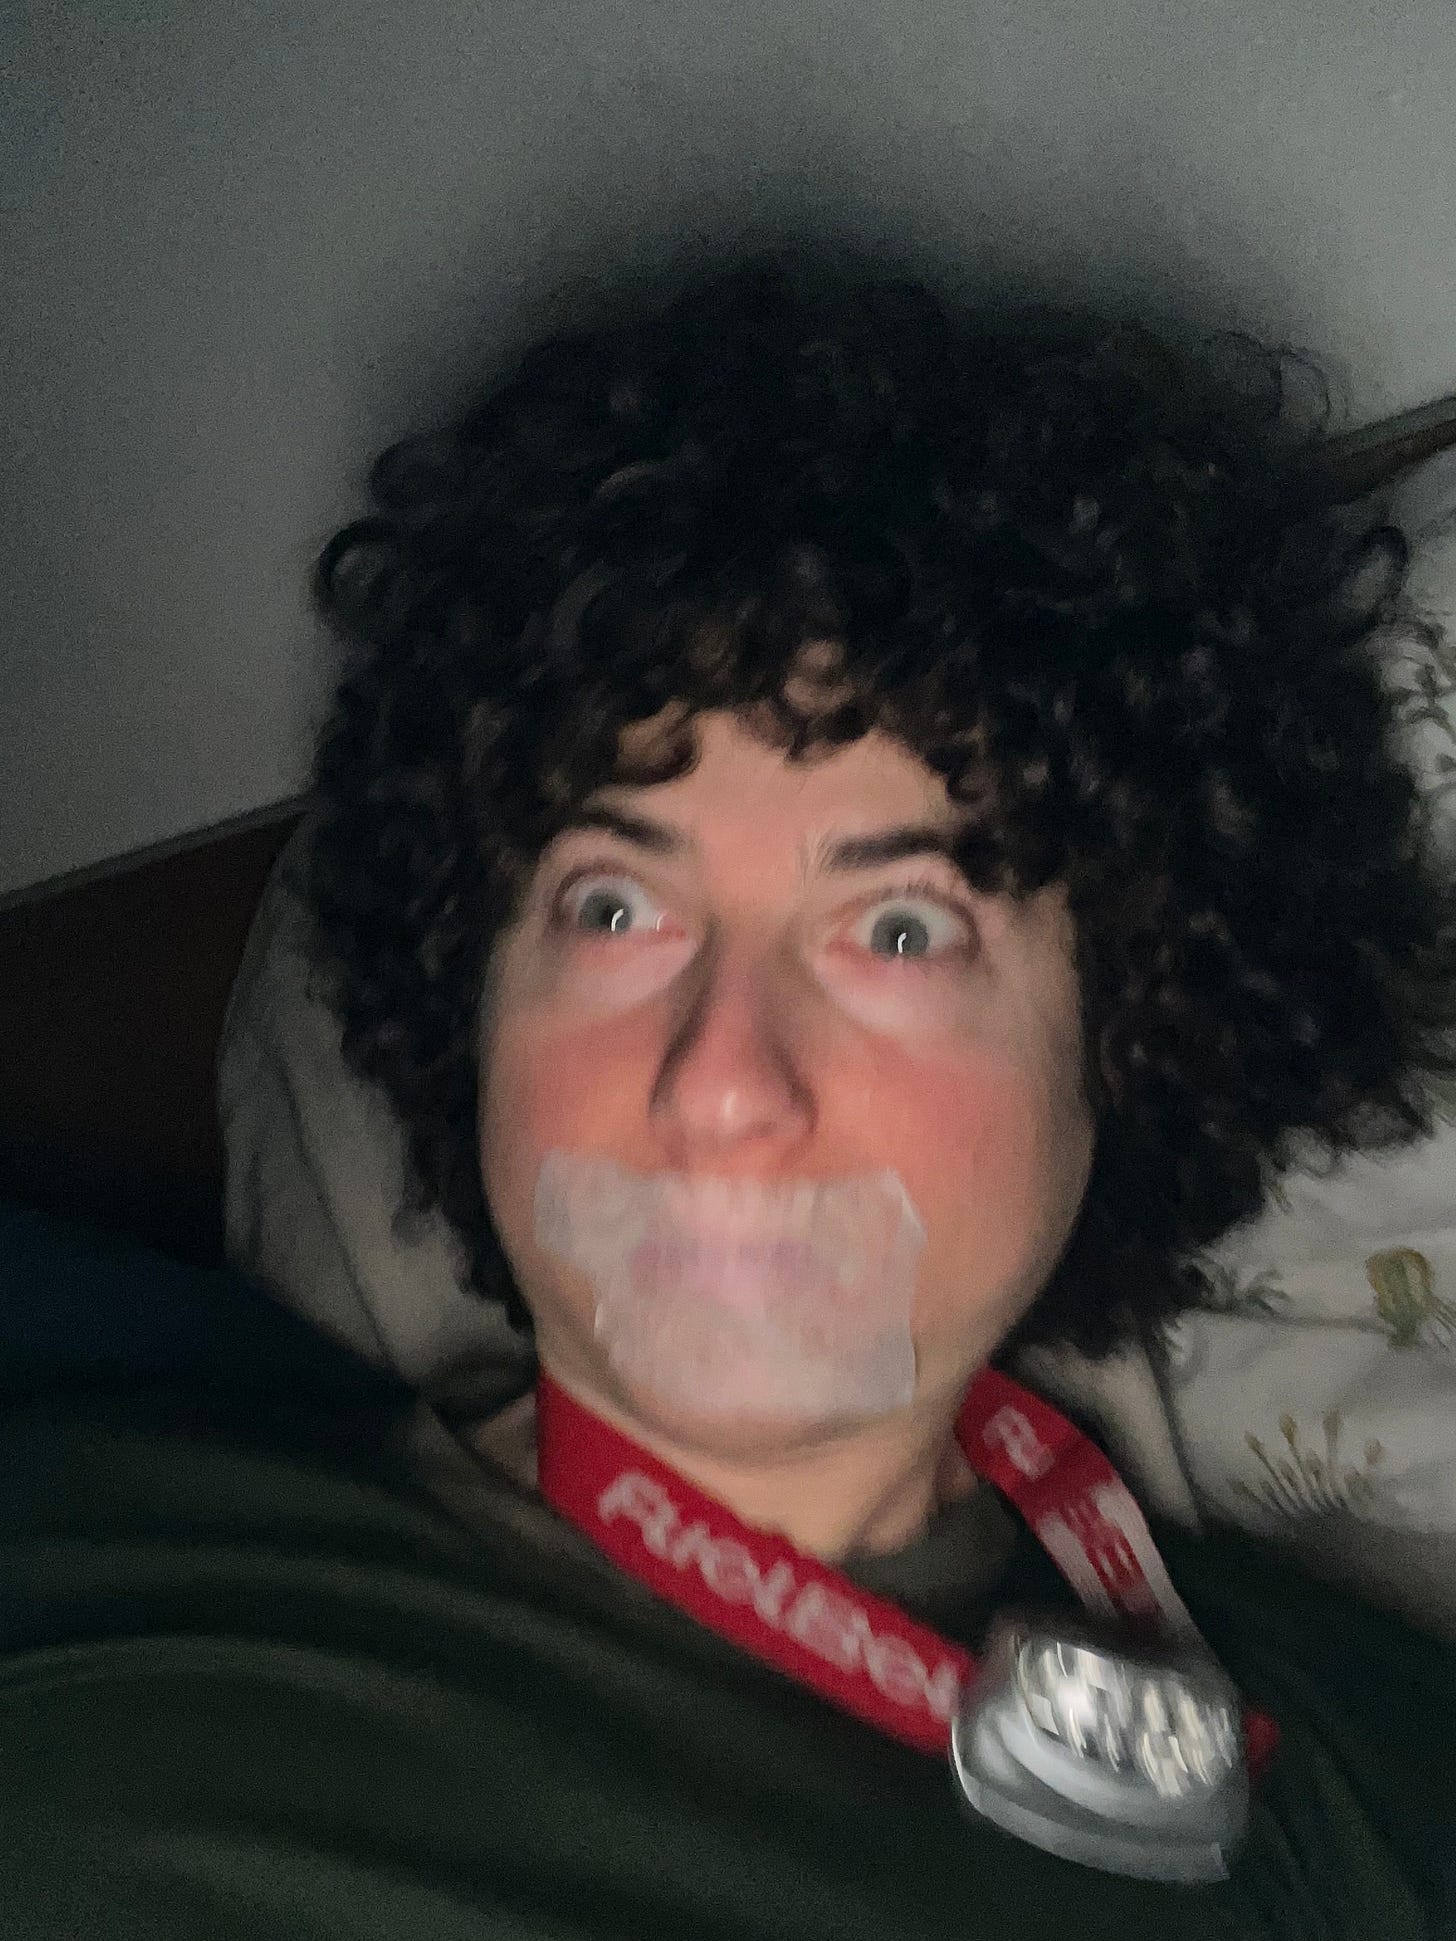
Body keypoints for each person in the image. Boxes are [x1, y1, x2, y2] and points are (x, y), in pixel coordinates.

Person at [5, 254, 1456, 1937]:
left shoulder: (1341, 1758)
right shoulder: (88, 1564)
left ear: (1128, 1036)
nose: (720, 1080)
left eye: (899, 929)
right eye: (615, 909)